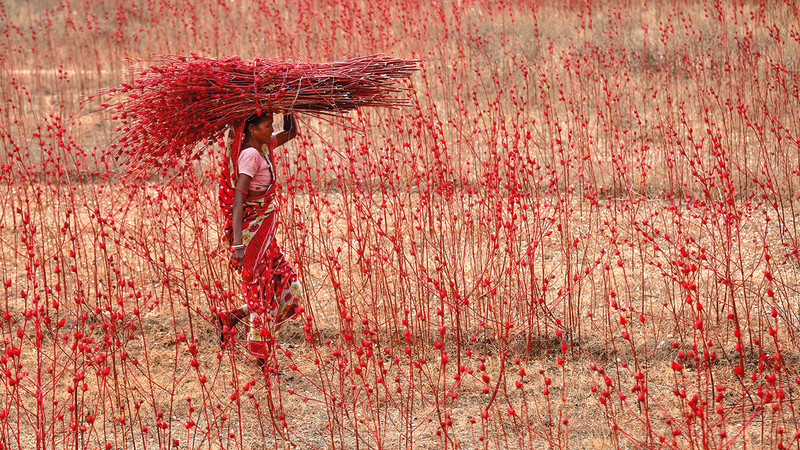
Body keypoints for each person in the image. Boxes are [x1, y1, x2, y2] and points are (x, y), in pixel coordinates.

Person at [216, 112, 302, 370]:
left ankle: (232, 316)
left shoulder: (264, 146)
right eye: (267, 126)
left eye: (271, 125)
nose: (271, 130)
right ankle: (262, 359)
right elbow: (239, 201)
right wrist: (239, 244)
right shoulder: (251, 156)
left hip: (264, 233)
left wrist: (290, 107)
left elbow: (291, 132)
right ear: (252, 129)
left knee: (288, 286)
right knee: (260, 294)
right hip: (251, 235)